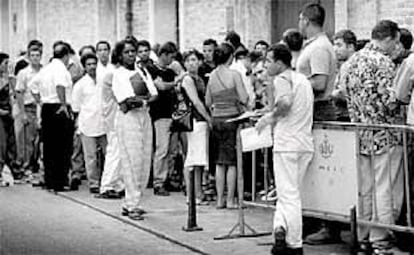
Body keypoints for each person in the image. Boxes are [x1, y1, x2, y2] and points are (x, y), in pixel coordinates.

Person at [339, 20, 403, 254]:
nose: (395, 46)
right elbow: (390, 101)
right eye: (395, 41)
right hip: (385, 134)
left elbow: (345, 94)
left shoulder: (352, 61)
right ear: (387, 38)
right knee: (384, 188)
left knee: (365, 188)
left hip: (361, 132)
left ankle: (363, 236)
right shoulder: (383, 63)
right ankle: (381, 238)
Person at [256, 43, 314, 255]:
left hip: (287, 143)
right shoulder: (303, 81)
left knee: (289, 196)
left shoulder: (282, 79)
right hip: (304, 143)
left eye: (269, 61)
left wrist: (268, 118)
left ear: (280, 63)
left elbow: (285, 103)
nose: (266, 65)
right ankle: (279, 229)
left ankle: (294, 243)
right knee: (289, 192)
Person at [111, 38, 157, 220]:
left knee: (145, 159)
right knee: (132, 160)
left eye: (133, 51)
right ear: (120, 55)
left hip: (144, 116)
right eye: (127, 52)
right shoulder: (119, 74)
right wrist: (142, 99)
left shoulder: (141, 70)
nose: (131, 55)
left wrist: (142, 99)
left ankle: (133, 201)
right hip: (129, 119)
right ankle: (132, 204)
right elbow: (127, 102)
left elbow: (154, 94)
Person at [205, 42, 248, 209]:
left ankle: (219, 200)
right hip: (231, 119)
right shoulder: (234, 74)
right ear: (230, 57)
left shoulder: (212, 76)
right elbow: (244, 98)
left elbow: (208, 101)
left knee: (219, 162)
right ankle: (230, 200)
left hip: (216, 119)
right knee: (231, 162)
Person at [29, 42, 74, 192]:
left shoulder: (45, 69)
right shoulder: (60, 69)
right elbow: (60, 85)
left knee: (49, 146)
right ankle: (60, 181)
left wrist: (39, 101)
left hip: (47, 107)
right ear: (66, 56)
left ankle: (50, 180)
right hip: (58, 106)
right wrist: (63, 104)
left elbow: (32, 85)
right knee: (62, 146)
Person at [145, 42, 178, 196]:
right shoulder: (151, 69)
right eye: (170, 56)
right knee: (162, 149)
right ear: (164, 54)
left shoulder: (170, 72)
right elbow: (161, 87)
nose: (172, 60)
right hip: (160, 114)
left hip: (171, 114)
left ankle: (167, 177)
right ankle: (158, 181)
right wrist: (177, 81)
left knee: (172, 150)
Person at [71, 53, 107, 194]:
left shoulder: (103, 80)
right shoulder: (80, 85)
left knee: (107, 154)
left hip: (104, 123)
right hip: (87, 124)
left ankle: (107, 181)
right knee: (90, 156)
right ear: (84, 67)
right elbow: (76, 107)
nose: (92, 67)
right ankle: (94, 183)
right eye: (89, 64)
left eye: (94, 64)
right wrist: (78, 125)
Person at [181, 49, 212, 205]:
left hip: (201, 120)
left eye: (194, 60)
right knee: (192, 157)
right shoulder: (187, 79)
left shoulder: (199, 78)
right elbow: (196, 101)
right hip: (194, 119)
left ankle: (198, 193)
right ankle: (191, 194)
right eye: (188, 60)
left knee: (199, 158)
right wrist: (208, 117)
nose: (192, 63)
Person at [296, 3, 336, 121]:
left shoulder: (319, 47)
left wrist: (294, 84)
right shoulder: (313, 45)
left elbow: (319, 83)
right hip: (311, 108)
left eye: (300, 20)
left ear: (305, 21)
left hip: (318, 110)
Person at [96, 41, 124, 199]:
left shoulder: (115, 72)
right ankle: (107, 185)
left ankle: (117, 183)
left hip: (114, 117)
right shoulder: (113, 74)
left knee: (119, 153)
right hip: (113, 118)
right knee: (114, 152)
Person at [15, 45, 42, 177]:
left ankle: (36, 164)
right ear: (29, 57)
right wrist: (22, 113)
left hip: (42, 108)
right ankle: (26, 166)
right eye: (33, 56)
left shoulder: (45, 71)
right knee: (28, 140)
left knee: (40, 140)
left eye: (37, 55)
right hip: (29, 107)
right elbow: (19, 92)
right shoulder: (24, 73)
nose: (35, 58)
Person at [0, 52, 20, 185]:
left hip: (8, 114)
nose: (8, 66)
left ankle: (14, 170)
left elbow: (13, 96)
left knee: (11, 143)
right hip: (0, 115)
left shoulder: (9, 78)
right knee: (1, 144)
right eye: (5, 63)